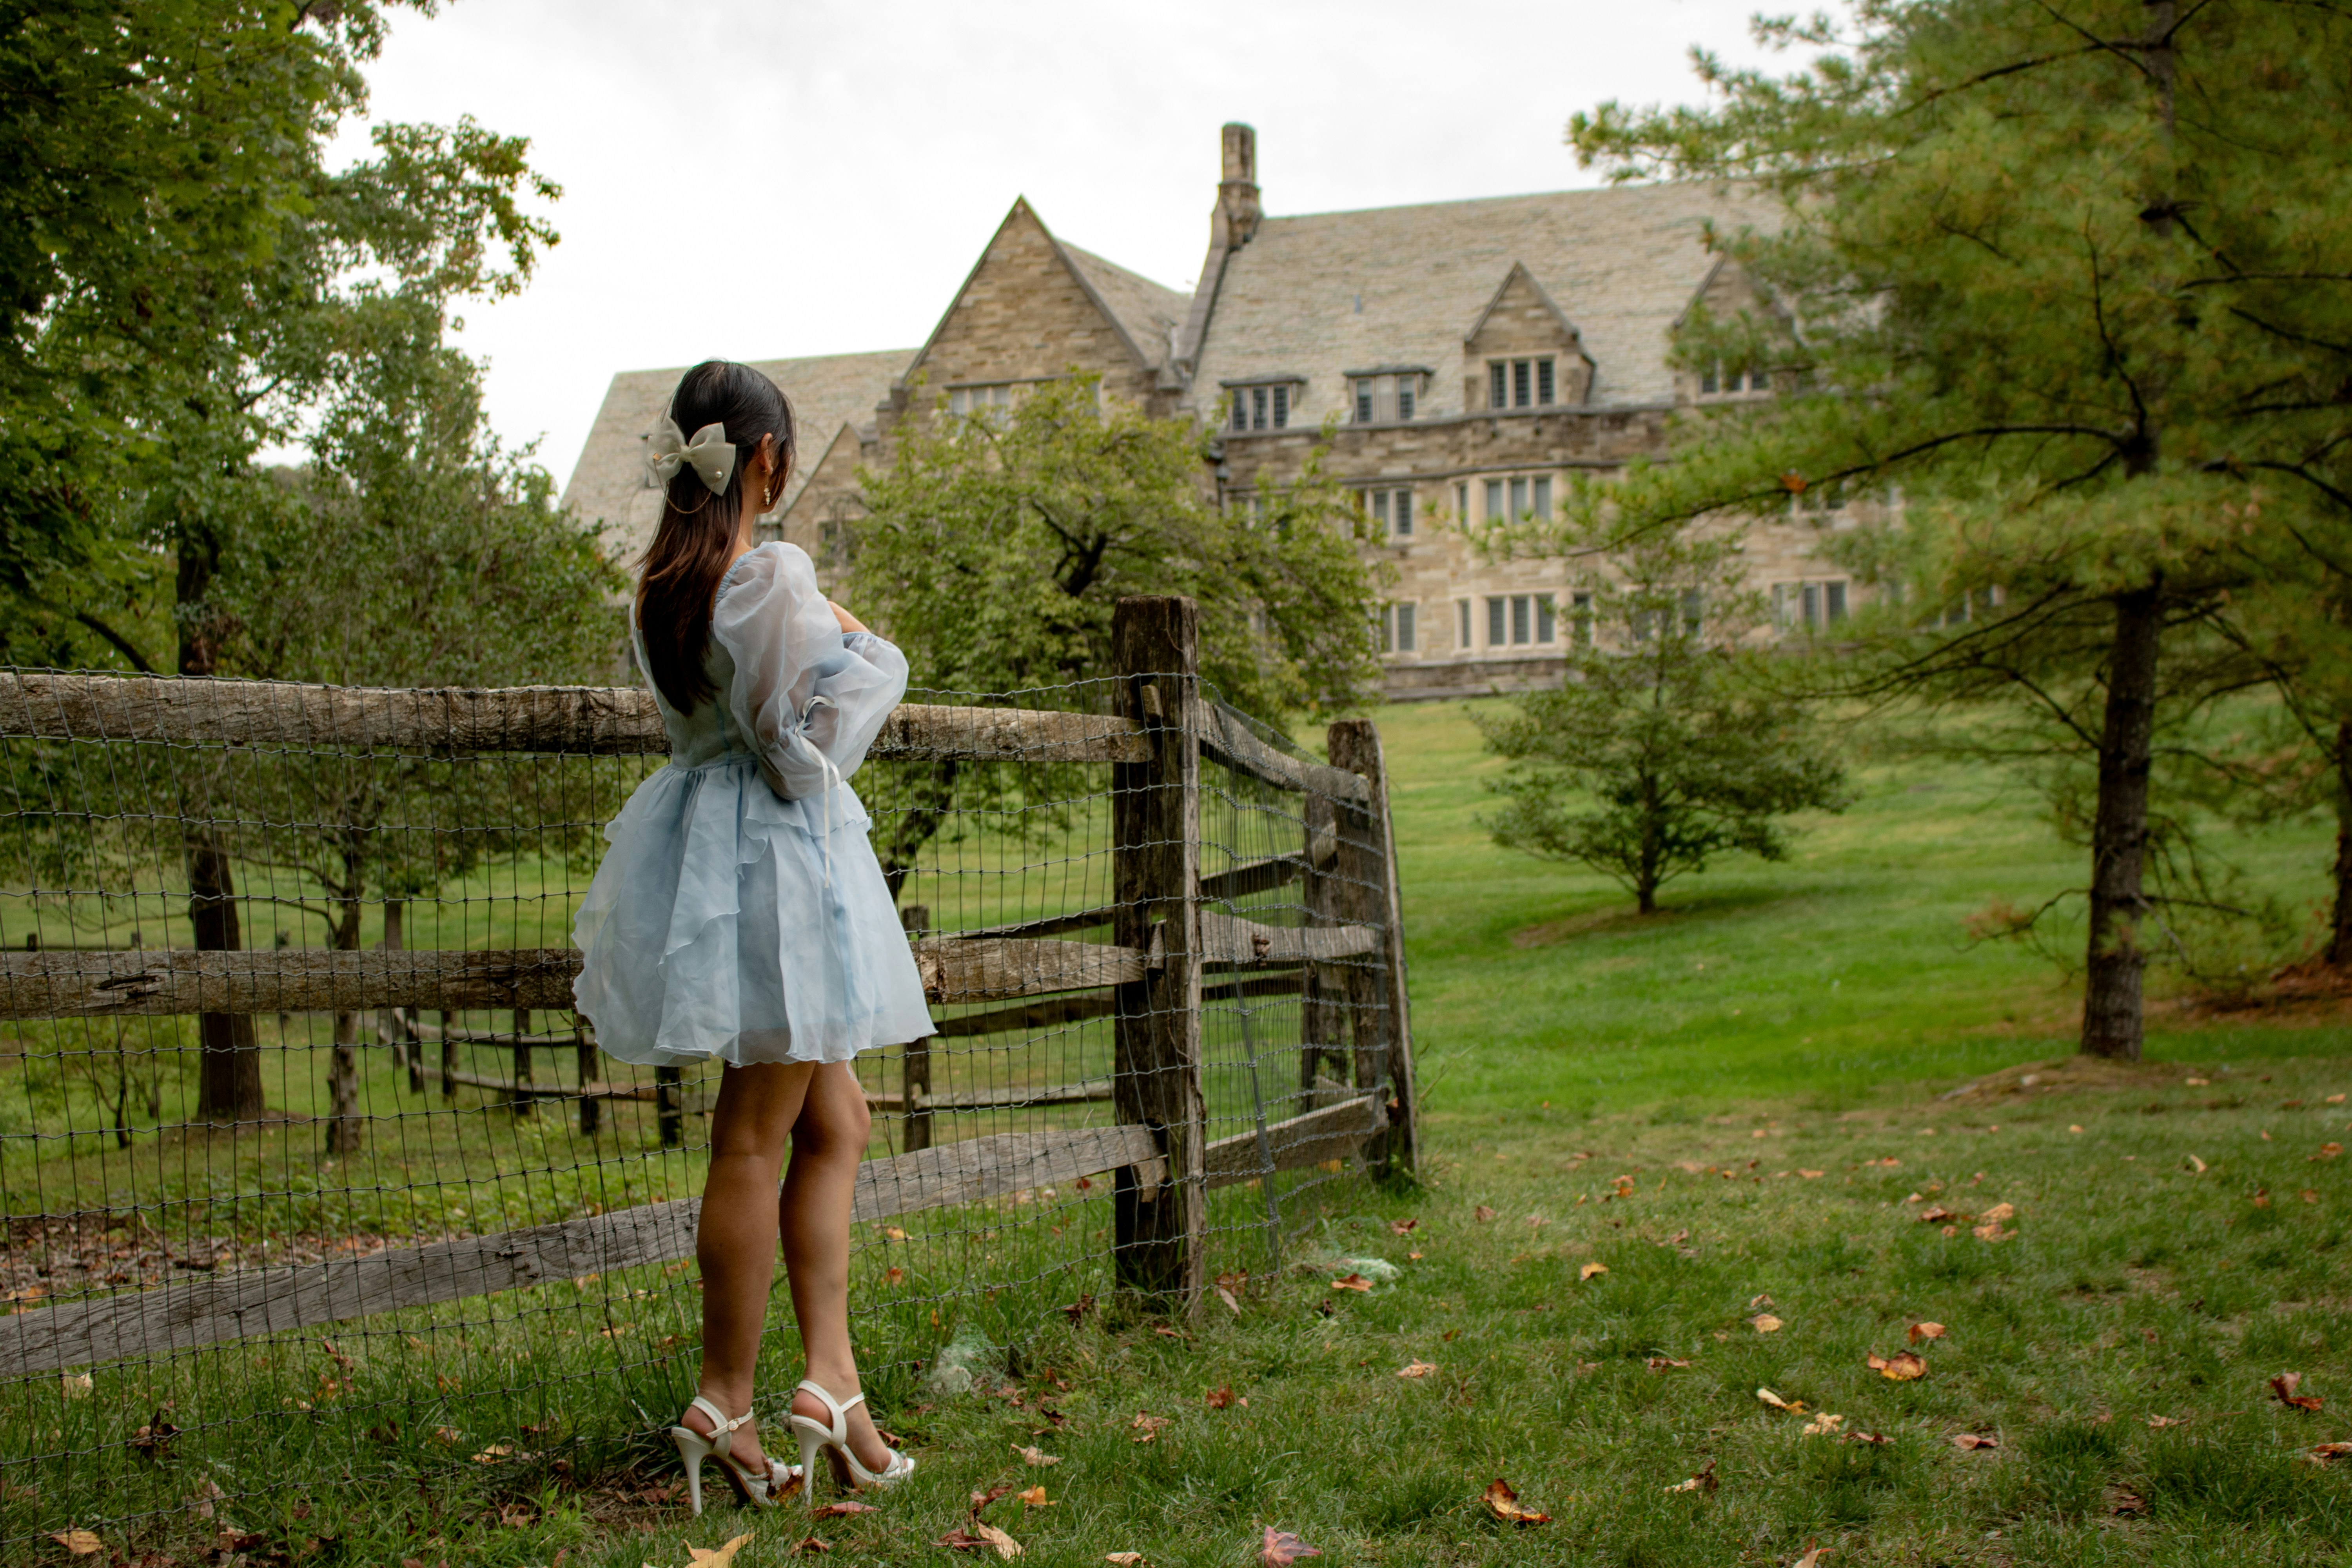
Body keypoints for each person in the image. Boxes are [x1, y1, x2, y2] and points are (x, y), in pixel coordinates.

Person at [572, 359, 935, 1515]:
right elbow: (793, 753)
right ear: (767, 459)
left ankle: (835, 1388)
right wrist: (867, 652)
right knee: (751, 1137)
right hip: (777, 868)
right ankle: (726, 1398)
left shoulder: (661, 589)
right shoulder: (767, 576)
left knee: (839, 1117)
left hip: (710, 864)